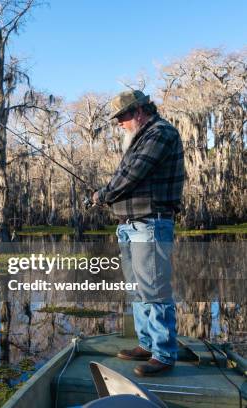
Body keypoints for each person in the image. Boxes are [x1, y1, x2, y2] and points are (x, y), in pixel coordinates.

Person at [92, 90, 185, 376]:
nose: (119, 122)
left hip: (150, 223)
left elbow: (133, 173)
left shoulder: (160, 133)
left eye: (122, 116)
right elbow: (128, 173)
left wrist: (103, 194)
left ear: (140, 111)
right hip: (131, 225)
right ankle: (147, 345)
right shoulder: (140, 137)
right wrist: (107, 195)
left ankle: (164, 354)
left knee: (154, 289)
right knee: (138, 289)